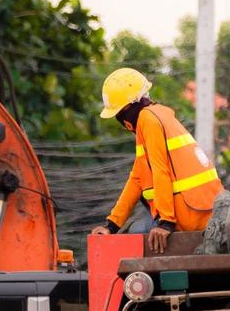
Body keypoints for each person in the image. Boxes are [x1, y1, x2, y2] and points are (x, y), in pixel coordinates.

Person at [89, 67, 222, 252]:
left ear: (128, 108)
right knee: (135, 229)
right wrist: (111, 225)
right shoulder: (155, 117)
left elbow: (161, 171)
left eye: (118, 113)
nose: (121, 121)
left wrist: (165, 223)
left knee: (136, 233)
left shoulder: (148, 120)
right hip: (203, 209)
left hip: (190, 214)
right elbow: (137, 178)